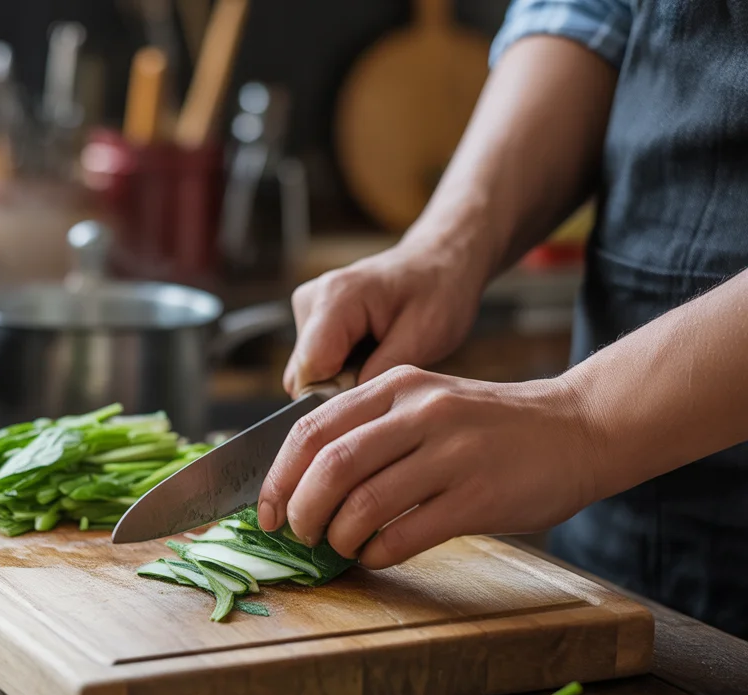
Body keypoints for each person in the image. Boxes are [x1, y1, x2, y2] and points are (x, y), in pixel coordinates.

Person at [256, 0, 748, 638]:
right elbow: (589, 14)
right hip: (618, 550)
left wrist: (583, 420)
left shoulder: (580, 429)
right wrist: (445, 249)